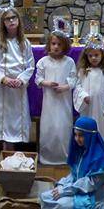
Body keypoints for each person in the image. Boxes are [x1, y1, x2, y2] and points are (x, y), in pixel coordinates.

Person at [39, 116, 104, 209]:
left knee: (60, 204)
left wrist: (65, 191)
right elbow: (73, 175)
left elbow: (88, 185)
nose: (77, 139)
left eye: (81, 135)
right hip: (75, 191)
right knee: (44, 196)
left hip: (90, 198)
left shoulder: (100, 158)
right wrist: (61, 185)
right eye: (75, 135)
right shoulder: (82, 151)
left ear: (90, 135)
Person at [0, 8, 35, 152]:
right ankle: (5, 154)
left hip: (18, 90)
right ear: (3, 23)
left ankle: (13, 154)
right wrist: (3, 79)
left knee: (16, 123)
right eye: (7, 19)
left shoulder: (25, 43)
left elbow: (30, 66)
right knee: (3, 123)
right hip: (3, 89)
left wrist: (21, 80)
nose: (11, 21)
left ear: (18, 20)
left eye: (14, 18)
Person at [34, 31, 77, 165]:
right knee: (49, 127)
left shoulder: (69, 62)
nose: (56, 47)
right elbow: (38, 78)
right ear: (49, 45)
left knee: (63, 127)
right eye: (53, 44)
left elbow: (73, 79)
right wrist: (47, 83)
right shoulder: (43, 61)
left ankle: (64, 156)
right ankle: (48, 156)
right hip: (49, 102)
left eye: (59, 44)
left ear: (65, 46)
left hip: (64, 101)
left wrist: (65, 87)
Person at [74, 39, 104, 145]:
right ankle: (86, 150)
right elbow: (77, 86)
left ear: (102, 55)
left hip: (101, 107)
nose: (93, 58)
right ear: (86, 56)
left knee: (100, 128)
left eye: (96, 55)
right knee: (87, 128)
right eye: (90, 56)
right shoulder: (83, 71)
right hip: (87, 107)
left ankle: (100, 152)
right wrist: (83, 96)